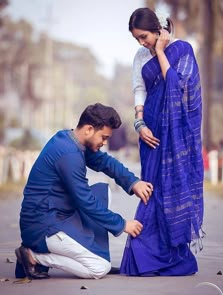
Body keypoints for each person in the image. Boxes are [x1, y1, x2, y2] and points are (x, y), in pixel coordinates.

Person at [15, 103, 153, 280]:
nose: (104, 143)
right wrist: (123, 224)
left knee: (103, 193)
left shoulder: (72, 139)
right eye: (103, 137)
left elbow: (105, 162)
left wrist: (133, 182)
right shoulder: (68, 154)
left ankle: (94, 254)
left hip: (59, 212)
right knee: (99, 268)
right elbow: (85, 201)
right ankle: (33, 256)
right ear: (89, 129)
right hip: (42, 224)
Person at [120, 8, 204, 276]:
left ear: (157, 29)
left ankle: (171, 258)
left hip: (176, 133)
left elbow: (178, 87)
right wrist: (140, 124)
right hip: (152, 134)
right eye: (137, 39)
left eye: (143, 36)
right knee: (152, 189)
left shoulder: (182, 49)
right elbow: (139, 90)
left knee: (172, 190)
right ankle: (146, 256)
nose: (141, 43)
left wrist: (159, 52)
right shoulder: (139, 56)